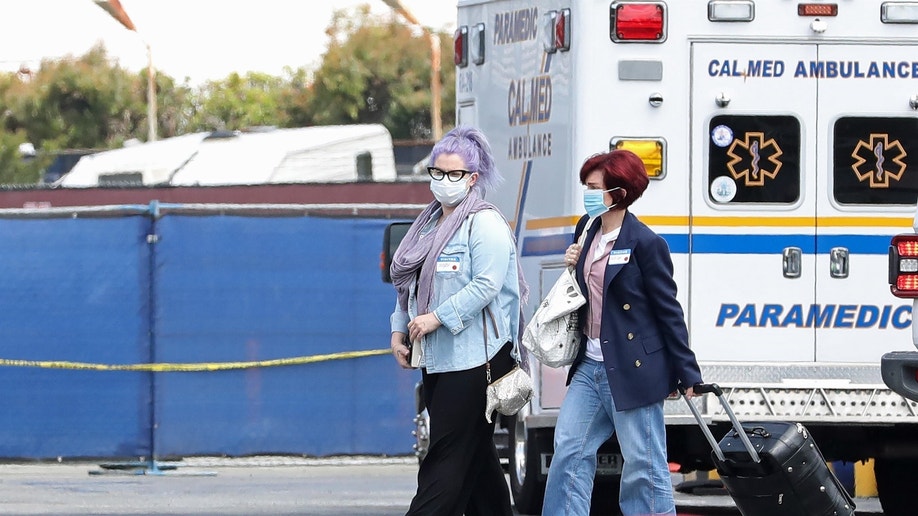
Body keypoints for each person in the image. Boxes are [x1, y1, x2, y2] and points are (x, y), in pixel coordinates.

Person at [542, 149, 703, 516]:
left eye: (595, 186)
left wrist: (686, 371)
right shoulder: (586, 228)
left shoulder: (646, 244)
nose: (587, 192)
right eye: (586, 185)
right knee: (569, 452)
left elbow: (669, 311)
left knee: (643, 467)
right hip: (589, 366)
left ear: (619, 192)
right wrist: (573, 264)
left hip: (634, 368)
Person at [388, 125, 527, 516]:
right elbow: (408, 288)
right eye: (437, 172)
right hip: (437, 361)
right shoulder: (426, 224)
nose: (444, 182)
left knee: (444, 463)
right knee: (479, 465)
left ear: (473, 178)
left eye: (454, 175)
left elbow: (487, 284)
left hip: (476, 363)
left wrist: (438, 318)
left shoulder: (484, 223)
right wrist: (400, 329)